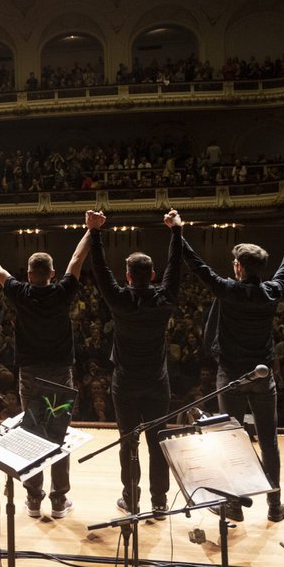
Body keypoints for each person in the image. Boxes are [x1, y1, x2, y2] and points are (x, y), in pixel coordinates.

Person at [0, 220, 92, 519]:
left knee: (33, 432)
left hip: (29, 375)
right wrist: (91, 229)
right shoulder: (62, 290)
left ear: (28, 274)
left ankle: (32, 500)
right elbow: (77, 259)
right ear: (53, 274)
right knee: (58, 432)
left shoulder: (20, 292)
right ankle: (58, 502)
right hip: (59, 374)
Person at [182, 227, 284, 522]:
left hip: (231, 376)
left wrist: (177, 233)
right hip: (262, 378)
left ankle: (233, 505)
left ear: (238, 267)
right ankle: (274, 506)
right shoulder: (271, 291)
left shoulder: (228, 290)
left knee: (230, 440)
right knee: (269, 443)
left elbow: (197, 266)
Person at [89, 209, 183, 517]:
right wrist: (176, 233)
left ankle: (131, 499)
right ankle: (159, 501)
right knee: (159, 443)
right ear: (152, 275)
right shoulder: (165, 300)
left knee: (128, 443)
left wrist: (95, 232)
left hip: (126, 383)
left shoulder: (119, 300)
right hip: (157, 383)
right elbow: (176, 268)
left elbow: (100, 269)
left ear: (127, 277)